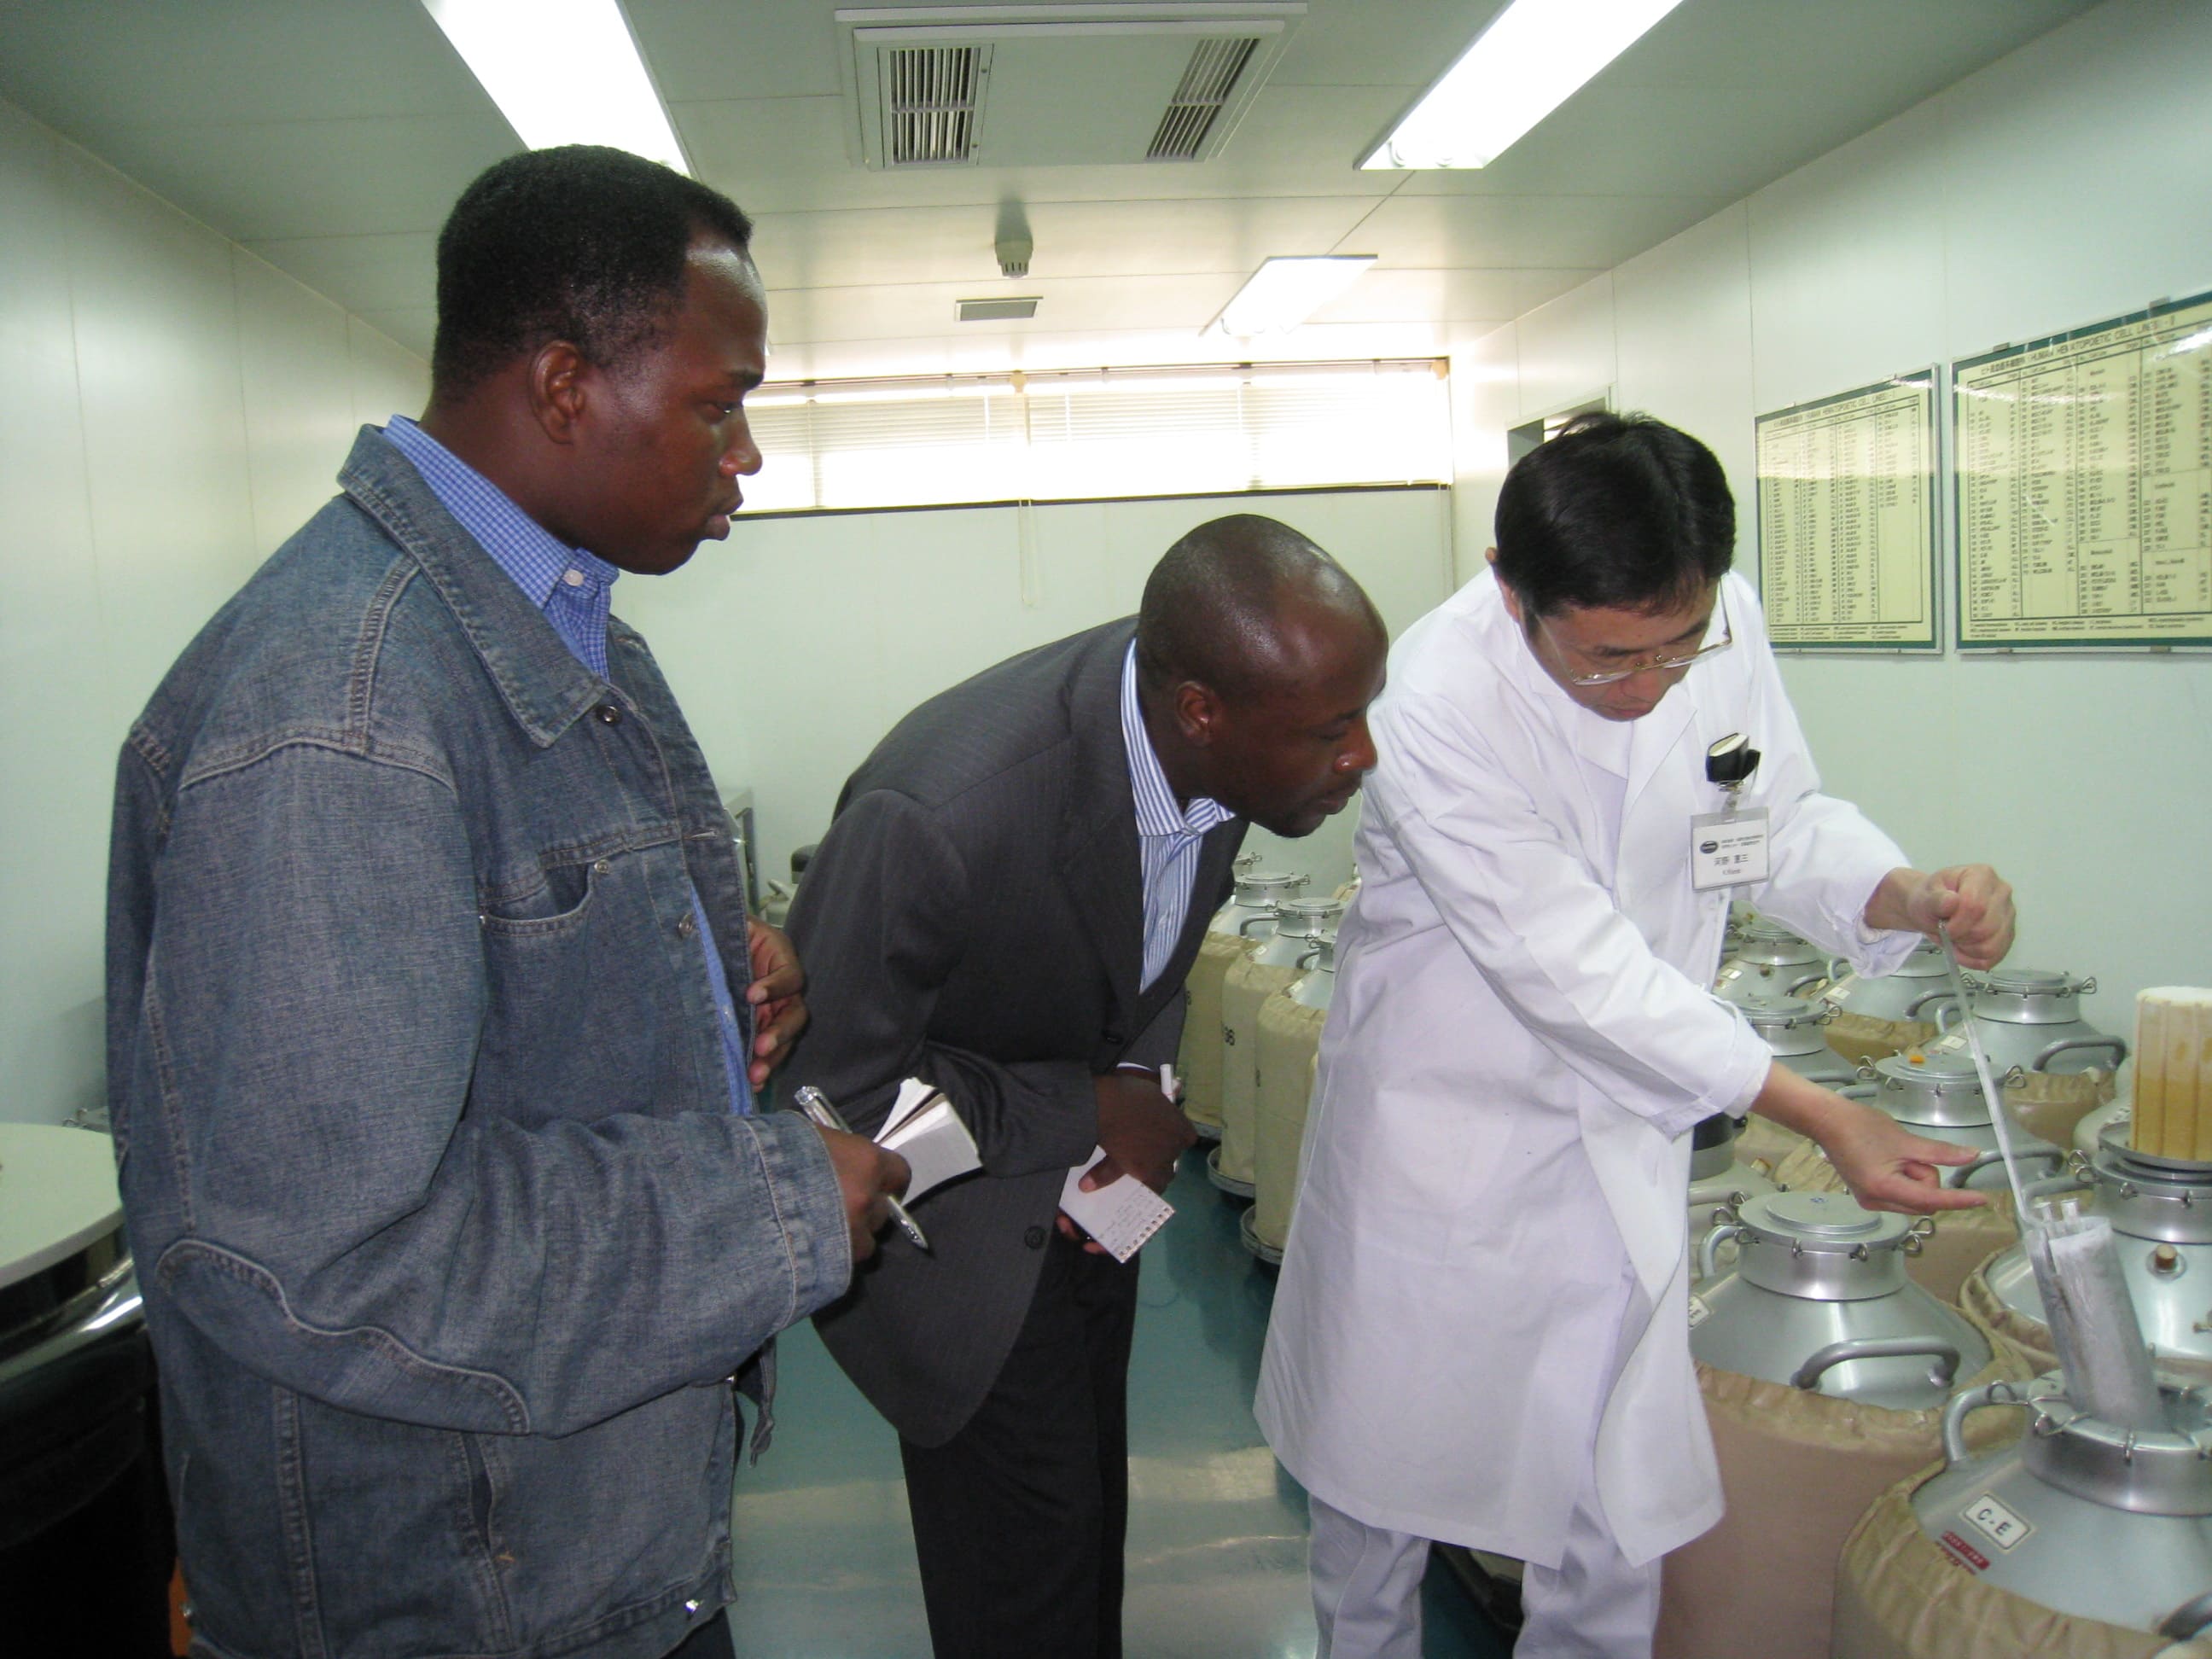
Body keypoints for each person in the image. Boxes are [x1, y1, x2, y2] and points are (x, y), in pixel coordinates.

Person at [104, 146, 907, 1659]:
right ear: (560, 387)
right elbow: (329, 1250)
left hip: (587, 1539)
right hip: (461, 1593)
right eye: (719, 403)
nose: (745, 456)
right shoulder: (344, 711)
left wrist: (692, 982)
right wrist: (782, 1206)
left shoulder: (566, 628)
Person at [1254, 411, 2017, 1659]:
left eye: (1678, 646)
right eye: (1610, 661)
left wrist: (1903, 897)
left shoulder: (1716, 626)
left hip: (1628, 1139)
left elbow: (1766, 819)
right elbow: (1572, 969)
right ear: (1513, 595)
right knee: (1382, 1500)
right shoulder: (1432, 695)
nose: (1653, 685)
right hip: (1447, 1143)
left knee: (1614, 1506)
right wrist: (1820, 1112)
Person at [784, 515, 1389, 1657]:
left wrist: (1131, 1070)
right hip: (949, 1238)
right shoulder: (940, 813)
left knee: (1076, 1552)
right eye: (1331, 730)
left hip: (1078, 1216)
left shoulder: (1194, 728)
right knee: (1025, 1590)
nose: (1363, 757)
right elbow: (822, 1103)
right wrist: (1082, 1110)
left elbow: (1148, 929)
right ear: (1203, 710)